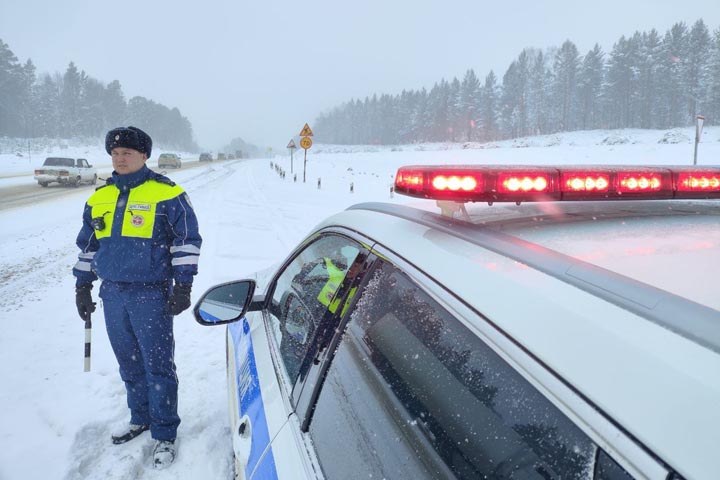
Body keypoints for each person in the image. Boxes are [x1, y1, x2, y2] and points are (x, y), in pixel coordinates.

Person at [72, 126, 201, 469]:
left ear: (144, 156)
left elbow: (187, 240)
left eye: (127, 153)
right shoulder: (99, 197)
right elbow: (88, 245)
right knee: (128, 363)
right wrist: (82, 286)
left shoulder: (167, 193)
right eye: (115, 153)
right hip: (112, 292)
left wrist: (183, 286)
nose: (120, 158)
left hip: (151, 294)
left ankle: (165, 432)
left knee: (157, 365)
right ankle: (140, 417)